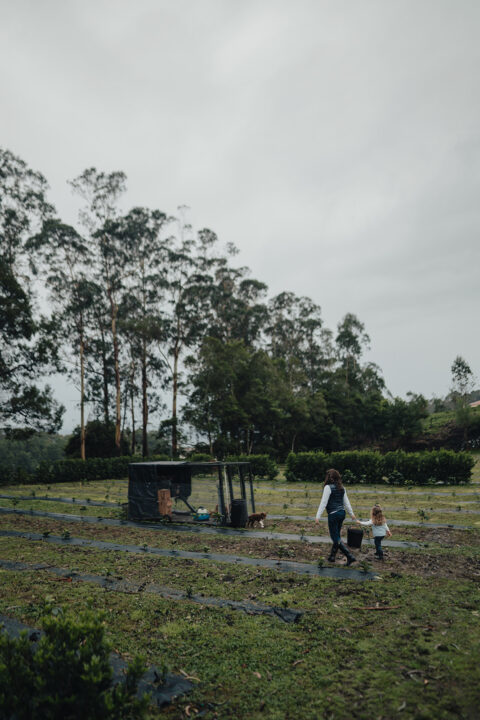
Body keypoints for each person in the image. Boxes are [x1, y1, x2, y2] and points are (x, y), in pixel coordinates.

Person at [315, 468, 357, 566]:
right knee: (337, 535)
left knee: (335, 538)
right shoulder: (342, 487)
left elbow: (323, 502)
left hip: (333, 515)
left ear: (329, 478)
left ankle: (350, 556)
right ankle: (332, 556)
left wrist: (318, 516)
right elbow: (346, 502)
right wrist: (352, 514)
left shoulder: (328, 488)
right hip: (342, 513)